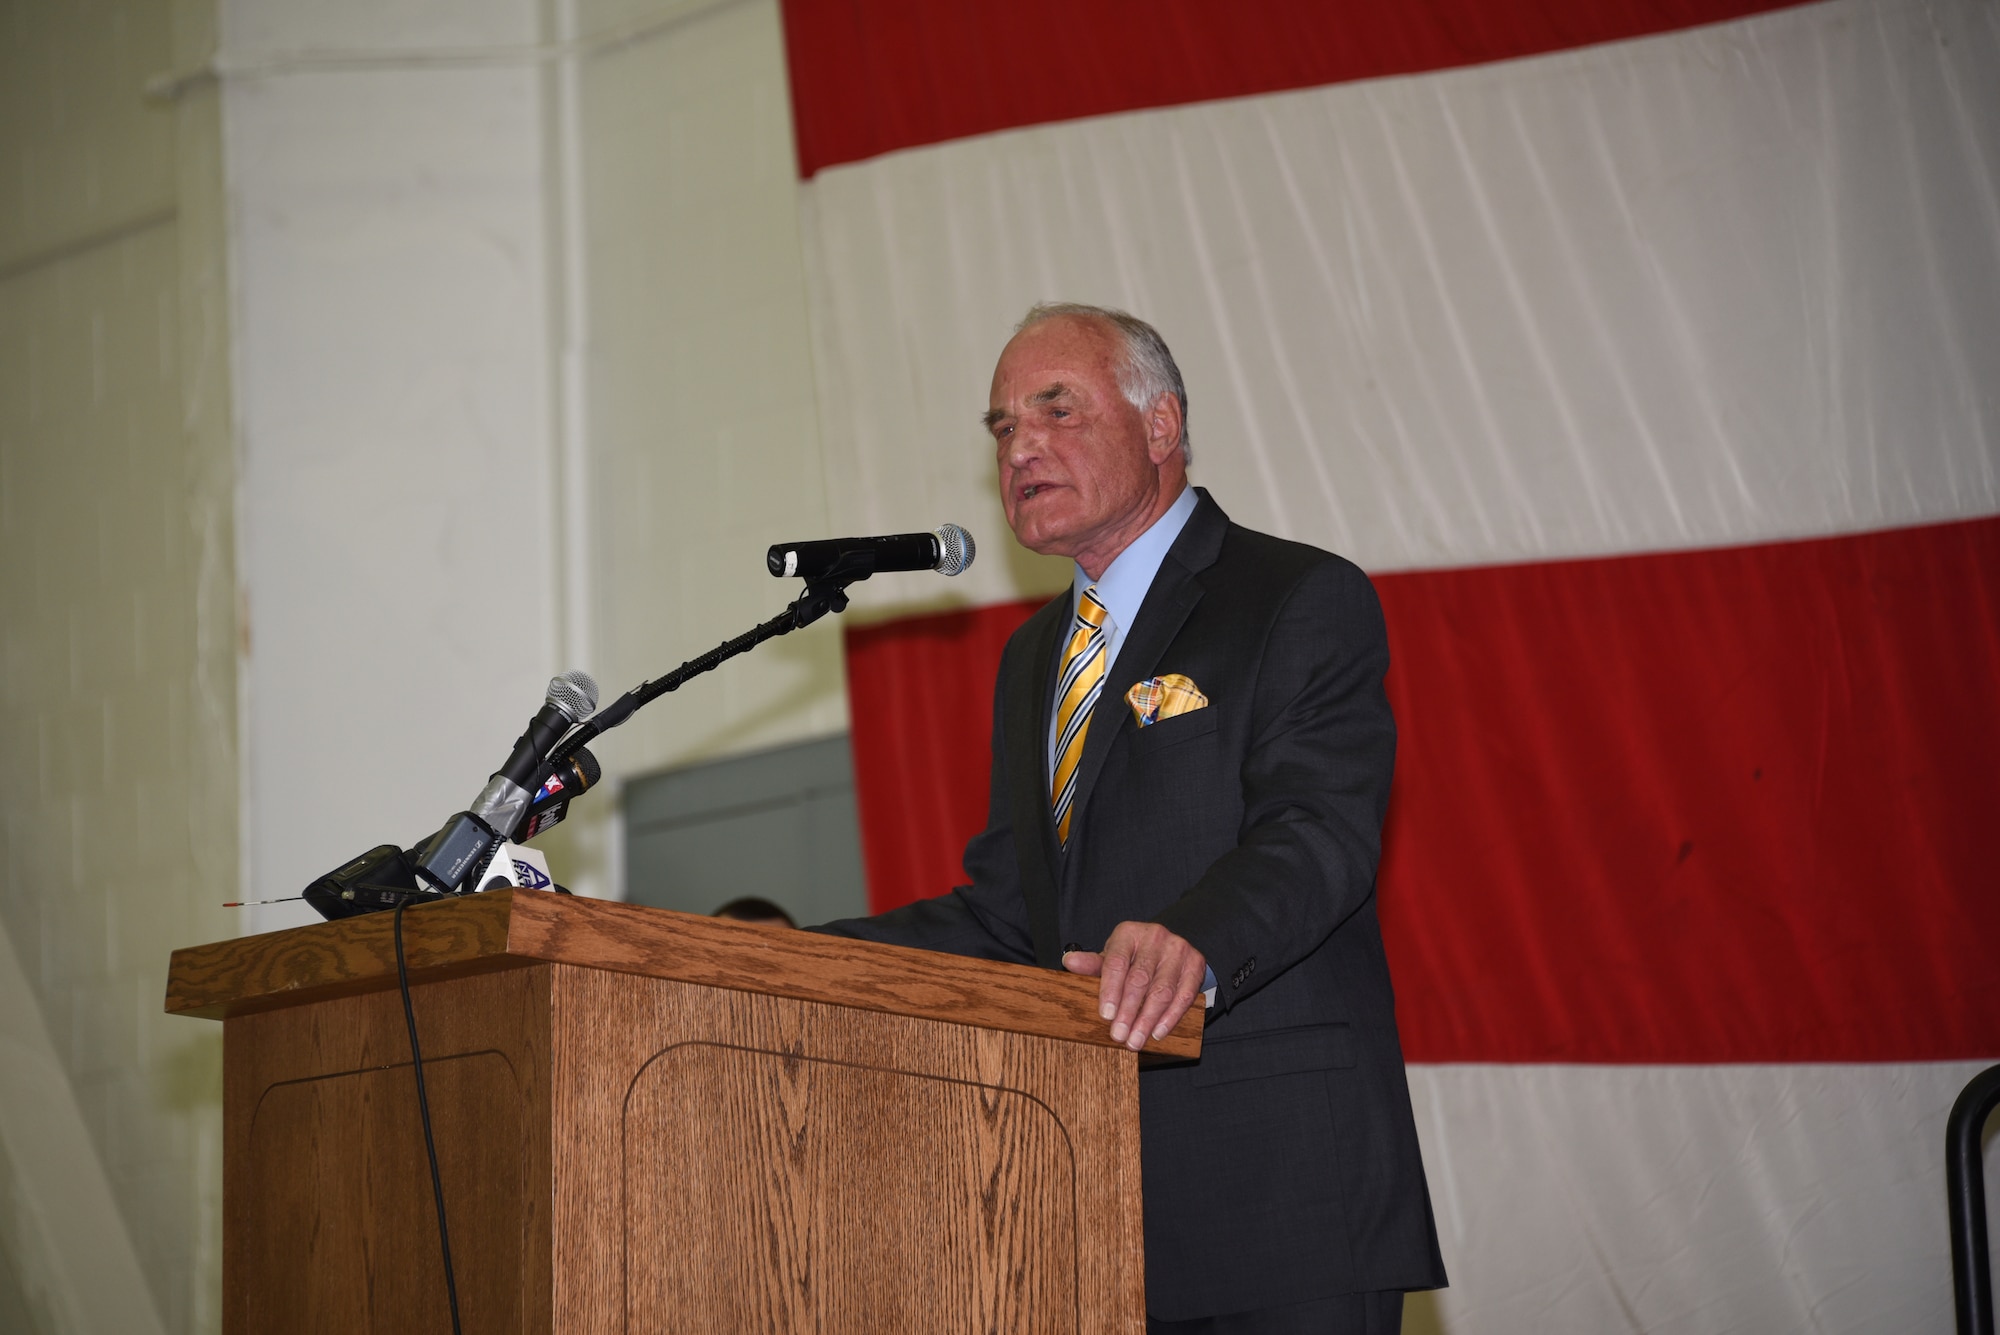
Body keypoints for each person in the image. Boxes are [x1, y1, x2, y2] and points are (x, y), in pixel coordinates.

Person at [820, 303, 1445, 1333]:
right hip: (1080, 1200)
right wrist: (758, 957)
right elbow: (1010, 917)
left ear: (1161, 426)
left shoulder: (1291, 597)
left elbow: (1317, 833)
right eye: (1000, 427)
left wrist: (1195, 937)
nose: (1019, 445)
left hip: (1275, 1187)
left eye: (1054, 409)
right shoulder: (1033, 661)